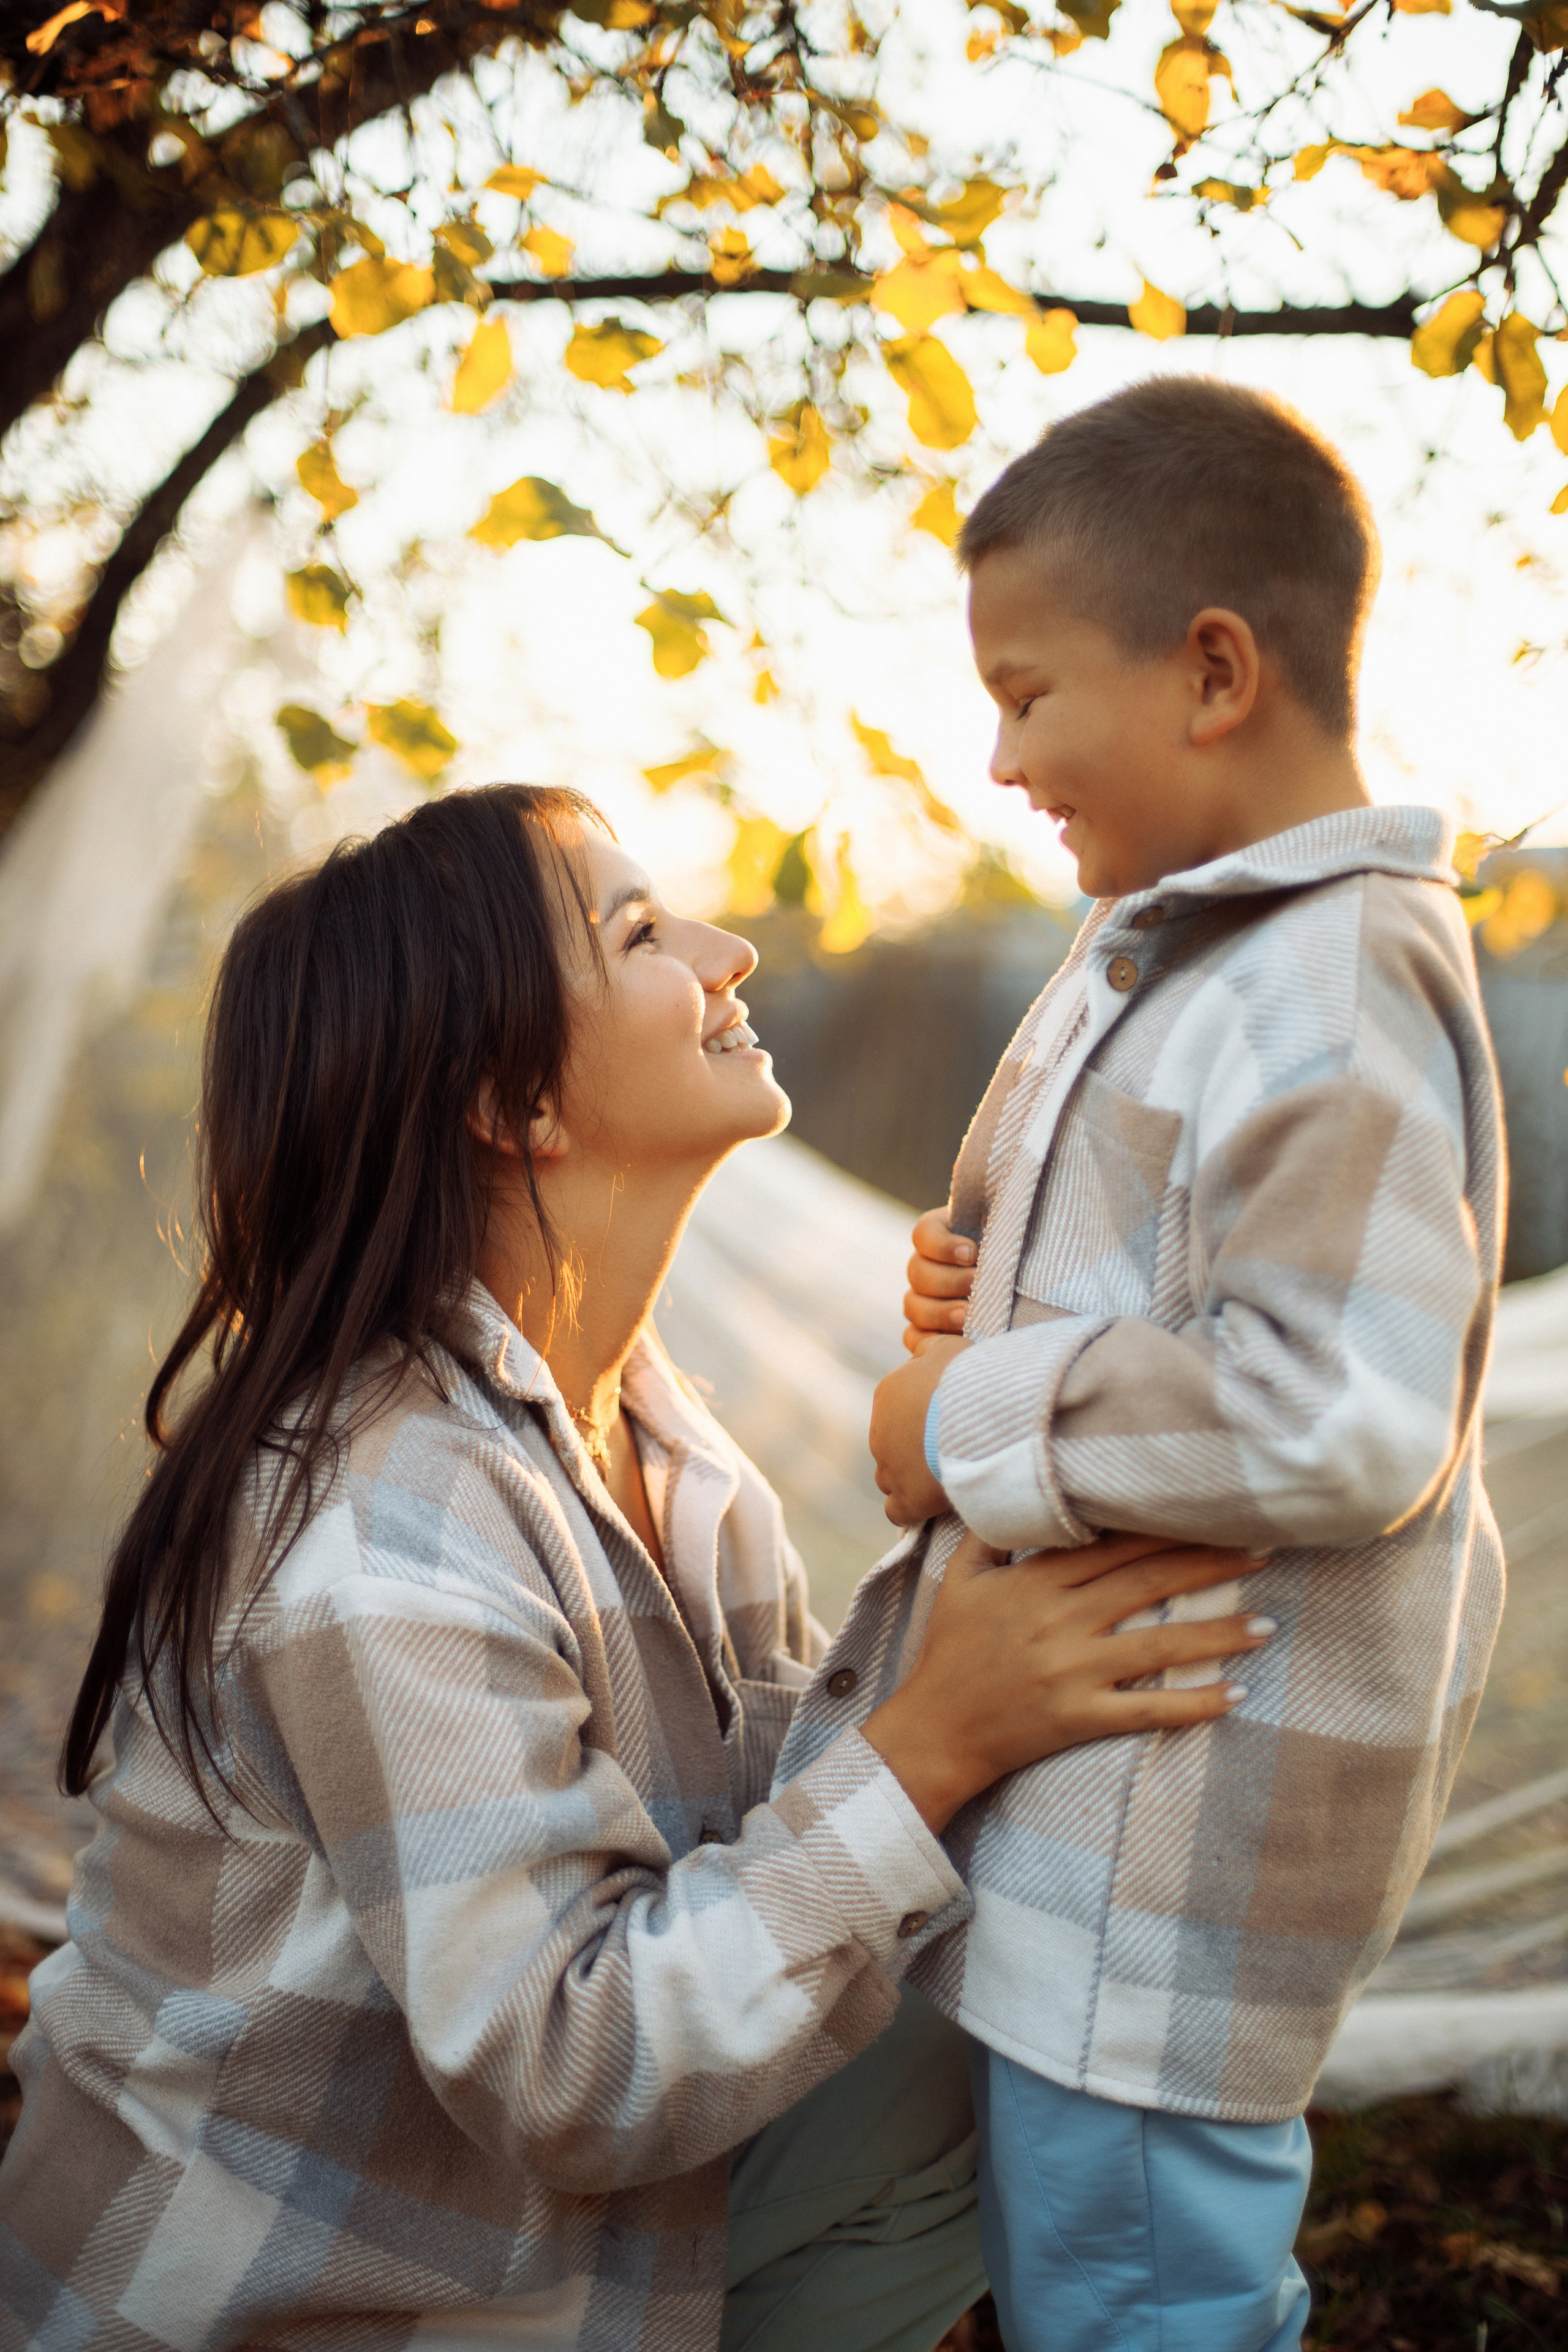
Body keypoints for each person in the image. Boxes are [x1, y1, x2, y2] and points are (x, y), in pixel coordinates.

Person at [0, 783, 1273, 2352]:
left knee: (1005, 1977)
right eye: (641, 932)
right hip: (293, 2303)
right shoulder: (376, 1526)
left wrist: (985, 1383)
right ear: (510, 1099)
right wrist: (932, 1736)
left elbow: (769, 1824)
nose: (730, 949)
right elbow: (568, 2065)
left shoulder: (662, 1446)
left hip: (529, 2236)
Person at [777, 379, 1507, 2352]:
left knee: (1146, 2309)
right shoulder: (1184, 948)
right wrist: (982, 1296)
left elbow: (1337, 1409)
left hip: (1170, 1894)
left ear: (1211, 672)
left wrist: (967, 1413)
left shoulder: (1327, 978)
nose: (1000, 756)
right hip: (1076, 1847)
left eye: (1027, 696)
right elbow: (1169, 1284)